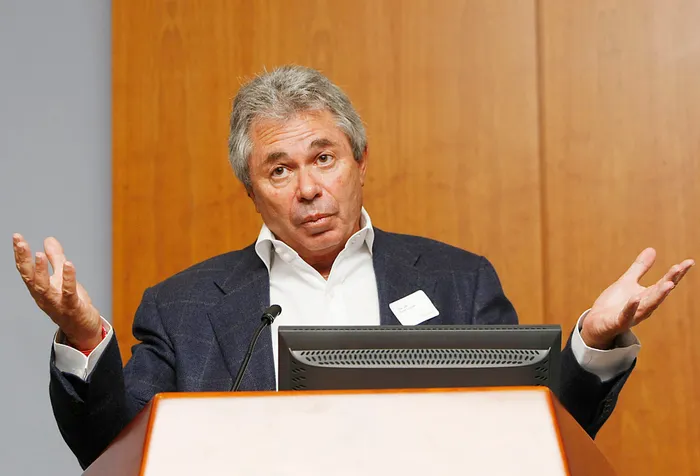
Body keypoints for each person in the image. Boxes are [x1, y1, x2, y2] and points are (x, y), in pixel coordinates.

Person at [13, 65, 694, 469]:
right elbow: (113, 452)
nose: (309, 188)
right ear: (252, 191)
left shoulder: (459, 281)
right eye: (280, 170)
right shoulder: (182, 307)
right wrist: (84, 337)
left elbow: (536, 437)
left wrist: (593, 342)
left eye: (324, 158)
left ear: (360, 163)